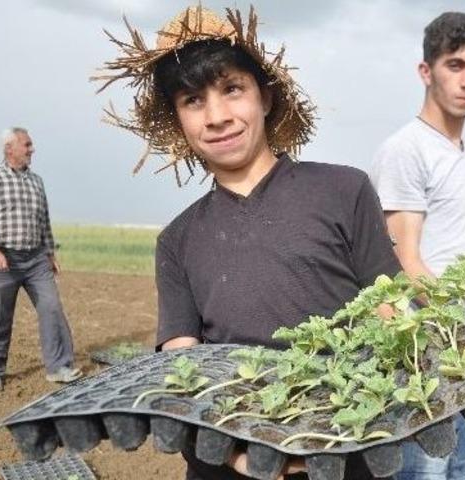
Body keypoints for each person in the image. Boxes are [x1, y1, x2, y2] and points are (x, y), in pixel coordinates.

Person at [96, 6, 401, 480]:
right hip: (230, 458)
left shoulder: (344, 190)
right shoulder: (177, 240)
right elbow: (182, 361)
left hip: (346, 449)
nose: (217, 117)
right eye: (193, 100)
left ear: (266, 97)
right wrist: (236, 451)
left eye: (232, 89)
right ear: (178, 120)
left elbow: (390, 310)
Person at [369, 12, 465, 480]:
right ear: (426, 71)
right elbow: (404, 262)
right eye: (455, 65)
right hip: (429, 357)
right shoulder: (408, 150)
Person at [0, 127, 81, 393]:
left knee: (51, 308)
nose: (32, 149)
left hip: (36, 260)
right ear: (9, 148)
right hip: (2, 260)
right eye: (27, 145)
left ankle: (59, 367)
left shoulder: (36, 181)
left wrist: (50, 253)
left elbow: (44, 221)